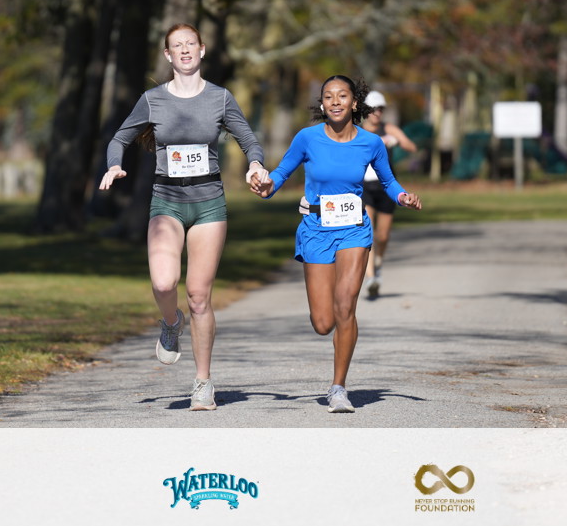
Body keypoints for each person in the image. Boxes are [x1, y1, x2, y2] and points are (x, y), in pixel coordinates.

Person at [99, 23, 269, 411]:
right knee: (163, 283)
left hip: (209, 203)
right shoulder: (153, 99)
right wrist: (114, 165)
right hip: (167, 202)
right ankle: (171, 323)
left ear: (202, 50)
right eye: (177, 45)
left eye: (191, 43)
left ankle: (203, 383)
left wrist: (256, 164)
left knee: (198, 296)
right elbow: (120, 138)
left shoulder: (220, 97)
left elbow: (248, 139)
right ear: (168, 55)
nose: (185, 50)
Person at [250, 75, 422, 413]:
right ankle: (336, 369)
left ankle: (339, 388)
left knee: (345, 307)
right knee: (323, 323)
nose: (335, 101)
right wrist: (267, 187)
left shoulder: (371, 142)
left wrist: (403, 196)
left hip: (354, 229)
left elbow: (388, 180)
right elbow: (281, 172)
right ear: (322, 104)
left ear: (354, 103)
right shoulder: (307, 138)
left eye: (342, 96)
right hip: (316, 229)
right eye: (328, 96)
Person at [360, 90, 417, 298]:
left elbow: (412, 147)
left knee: (382, 235)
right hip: (364, 187)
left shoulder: (388, 128)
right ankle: (371, 278)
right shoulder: (357, 131)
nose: (376, 113)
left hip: (386, 187)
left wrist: (395, 140)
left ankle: (378, 264)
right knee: (367, 231)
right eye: (373, 109)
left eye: (380, 109)